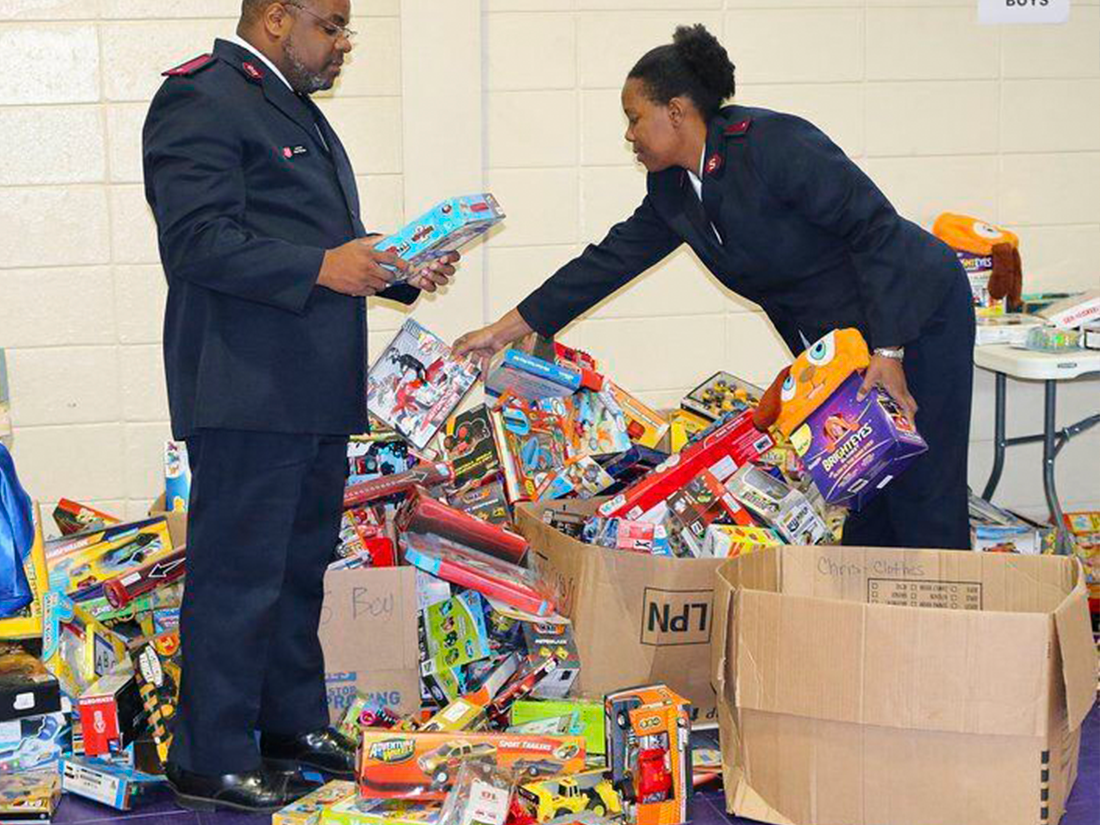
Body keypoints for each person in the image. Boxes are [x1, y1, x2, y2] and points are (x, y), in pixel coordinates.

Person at [455, 24, 975, 551]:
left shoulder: (774, 144)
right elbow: (606, 263)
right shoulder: (674, 188)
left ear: (676, 112)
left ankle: (956, 623)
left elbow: (875, 228)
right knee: (864, 483)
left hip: (914, 312)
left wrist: (890, 349)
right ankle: (875, 621)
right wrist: (501, 331)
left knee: (923, 487)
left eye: (635, 118)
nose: (629, 135)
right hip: (847, 343)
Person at [142, 0, 457, 813]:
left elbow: (314, 239)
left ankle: (289, 725)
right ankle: (208, 753)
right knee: (237, 578)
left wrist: (396, 266)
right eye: (332, 24)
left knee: (295, 573)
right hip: (247, 386)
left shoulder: (290, 108)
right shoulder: (203, 96)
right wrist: (325, 266)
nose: (343, 42)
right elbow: (198, 240)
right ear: (277, 17)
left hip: (308, 388)